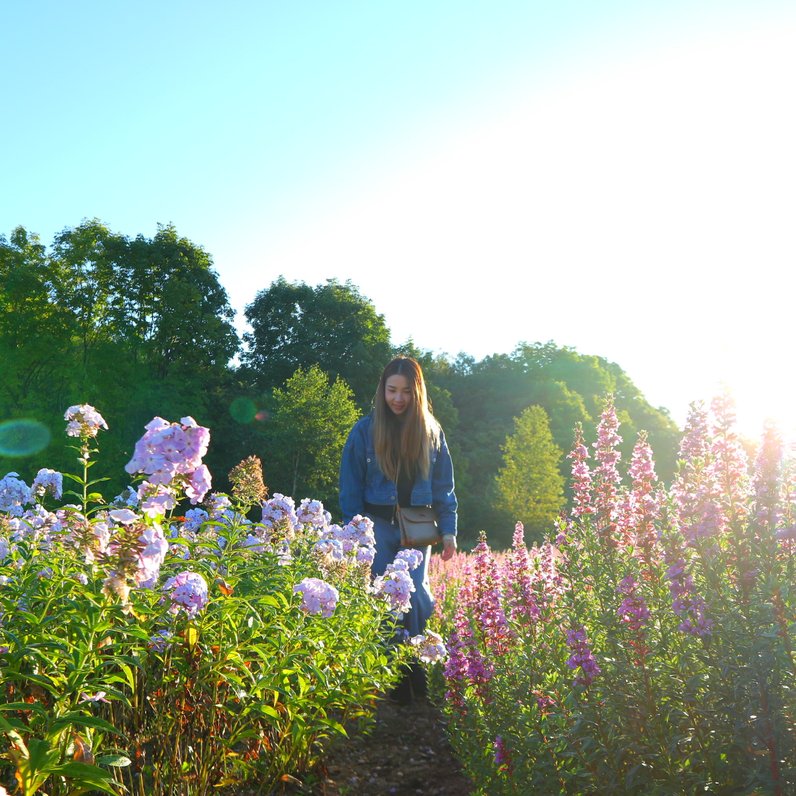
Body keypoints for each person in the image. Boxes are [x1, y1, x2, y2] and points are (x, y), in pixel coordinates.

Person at [339, 356, 458, 702]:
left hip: (418, 527)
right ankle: (394, 677)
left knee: (418, 598)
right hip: (375, 526)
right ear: (382, 390)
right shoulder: (364, 430)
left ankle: (413, 662)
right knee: (386, 599)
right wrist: (354, 532)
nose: (398, 398)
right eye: (392, 390)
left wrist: (448, 530)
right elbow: (350, 486)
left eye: (406, 391)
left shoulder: (431, 432)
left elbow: (444, 487)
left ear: (416, 392)